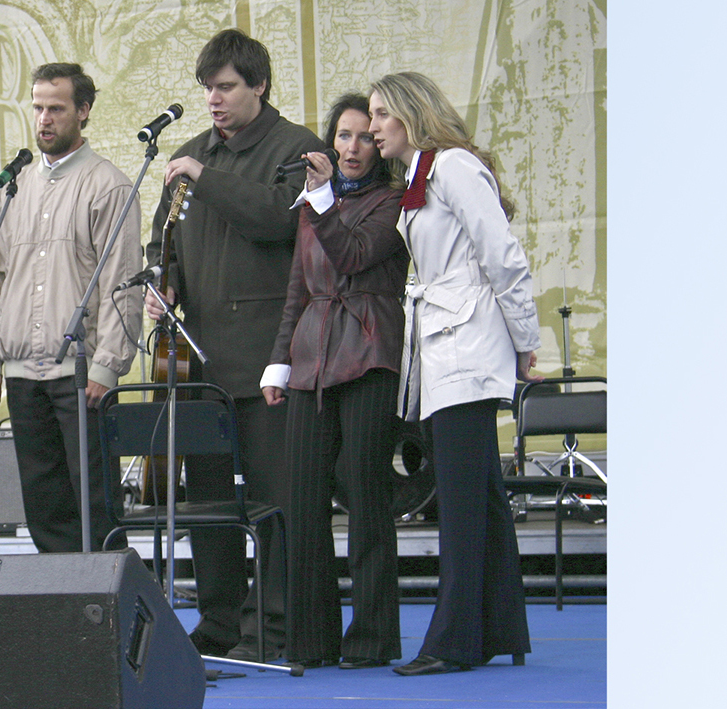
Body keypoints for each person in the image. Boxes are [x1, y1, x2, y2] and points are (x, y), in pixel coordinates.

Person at [143, 28, 323, 662]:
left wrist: (205, 176)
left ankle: (274, 626)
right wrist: (161, 280)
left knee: (276, 503)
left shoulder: (296, 146)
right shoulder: (189, 153)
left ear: (260, 85)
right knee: (209, 505)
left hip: (270, 357)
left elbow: (278, 217)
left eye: (225, 87)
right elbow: (164, 241)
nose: (213, 100)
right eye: (207, 89)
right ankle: (219, 623)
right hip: (200, 360)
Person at [367, 71, 541, 676]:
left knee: (462, 501)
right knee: (481, 495)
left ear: (412, 114)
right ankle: (499, 628)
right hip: (448, 346)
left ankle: (453, 642)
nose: (373, 126)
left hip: (467, 346)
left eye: (382, 114)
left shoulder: (454, 168)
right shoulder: (424, 174)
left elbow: (502, 255)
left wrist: (525, 341)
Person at [260, 93, 408, 669]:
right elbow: (298, 287)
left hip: (369, 352)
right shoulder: (314, 203)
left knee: (366, 496)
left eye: (365, 136)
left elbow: (353, 256)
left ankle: (373, 638)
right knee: (303, 499)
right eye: (343, 135)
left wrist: (321, 201)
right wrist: (279, 361)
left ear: (379, 146)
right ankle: (313, 638)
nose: (352, 147)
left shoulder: (392, 201)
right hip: (310, 357)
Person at [0, 63, 141, 553]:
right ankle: (61, 598)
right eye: (38, 108)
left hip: (81, 374)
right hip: (24, 374)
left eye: (56, 108)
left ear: (83, 111)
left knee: (95, 506)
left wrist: (107, 367)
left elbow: (121, 284)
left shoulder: (108, 184)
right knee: (44, 508)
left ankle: (106, 595)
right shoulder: (14, 187)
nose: (44, 119)